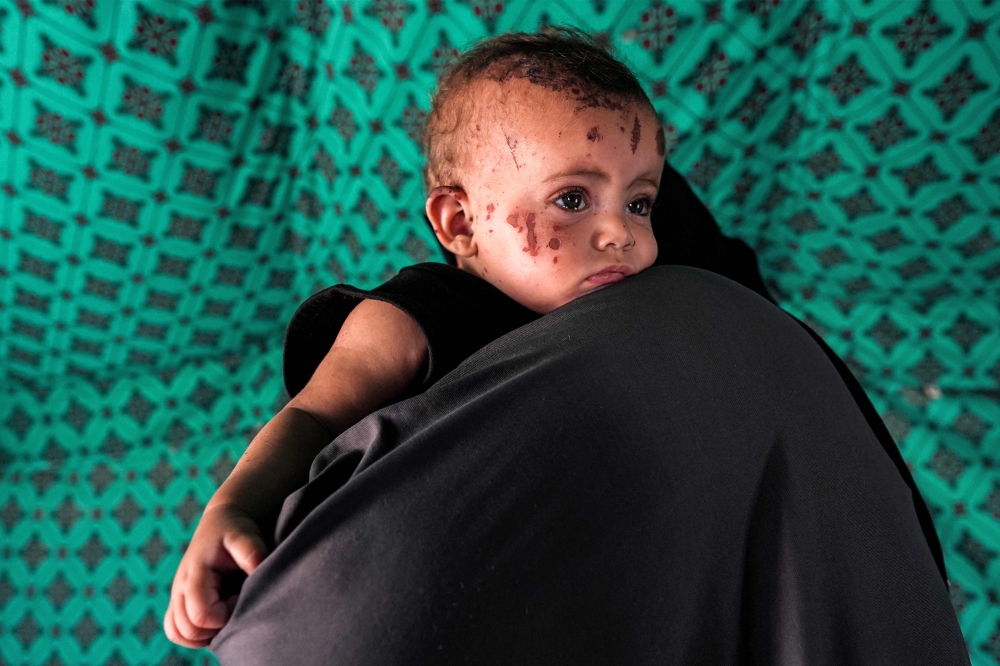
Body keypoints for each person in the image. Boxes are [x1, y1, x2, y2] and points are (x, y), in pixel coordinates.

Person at [164, 26, 954, 660]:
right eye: (572, 200)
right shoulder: (417, 310)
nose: (620, 234)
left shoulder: (652, 297)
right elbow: (312, 418)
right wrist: (236, 504)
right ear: (459, 222)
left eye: (642, 203)